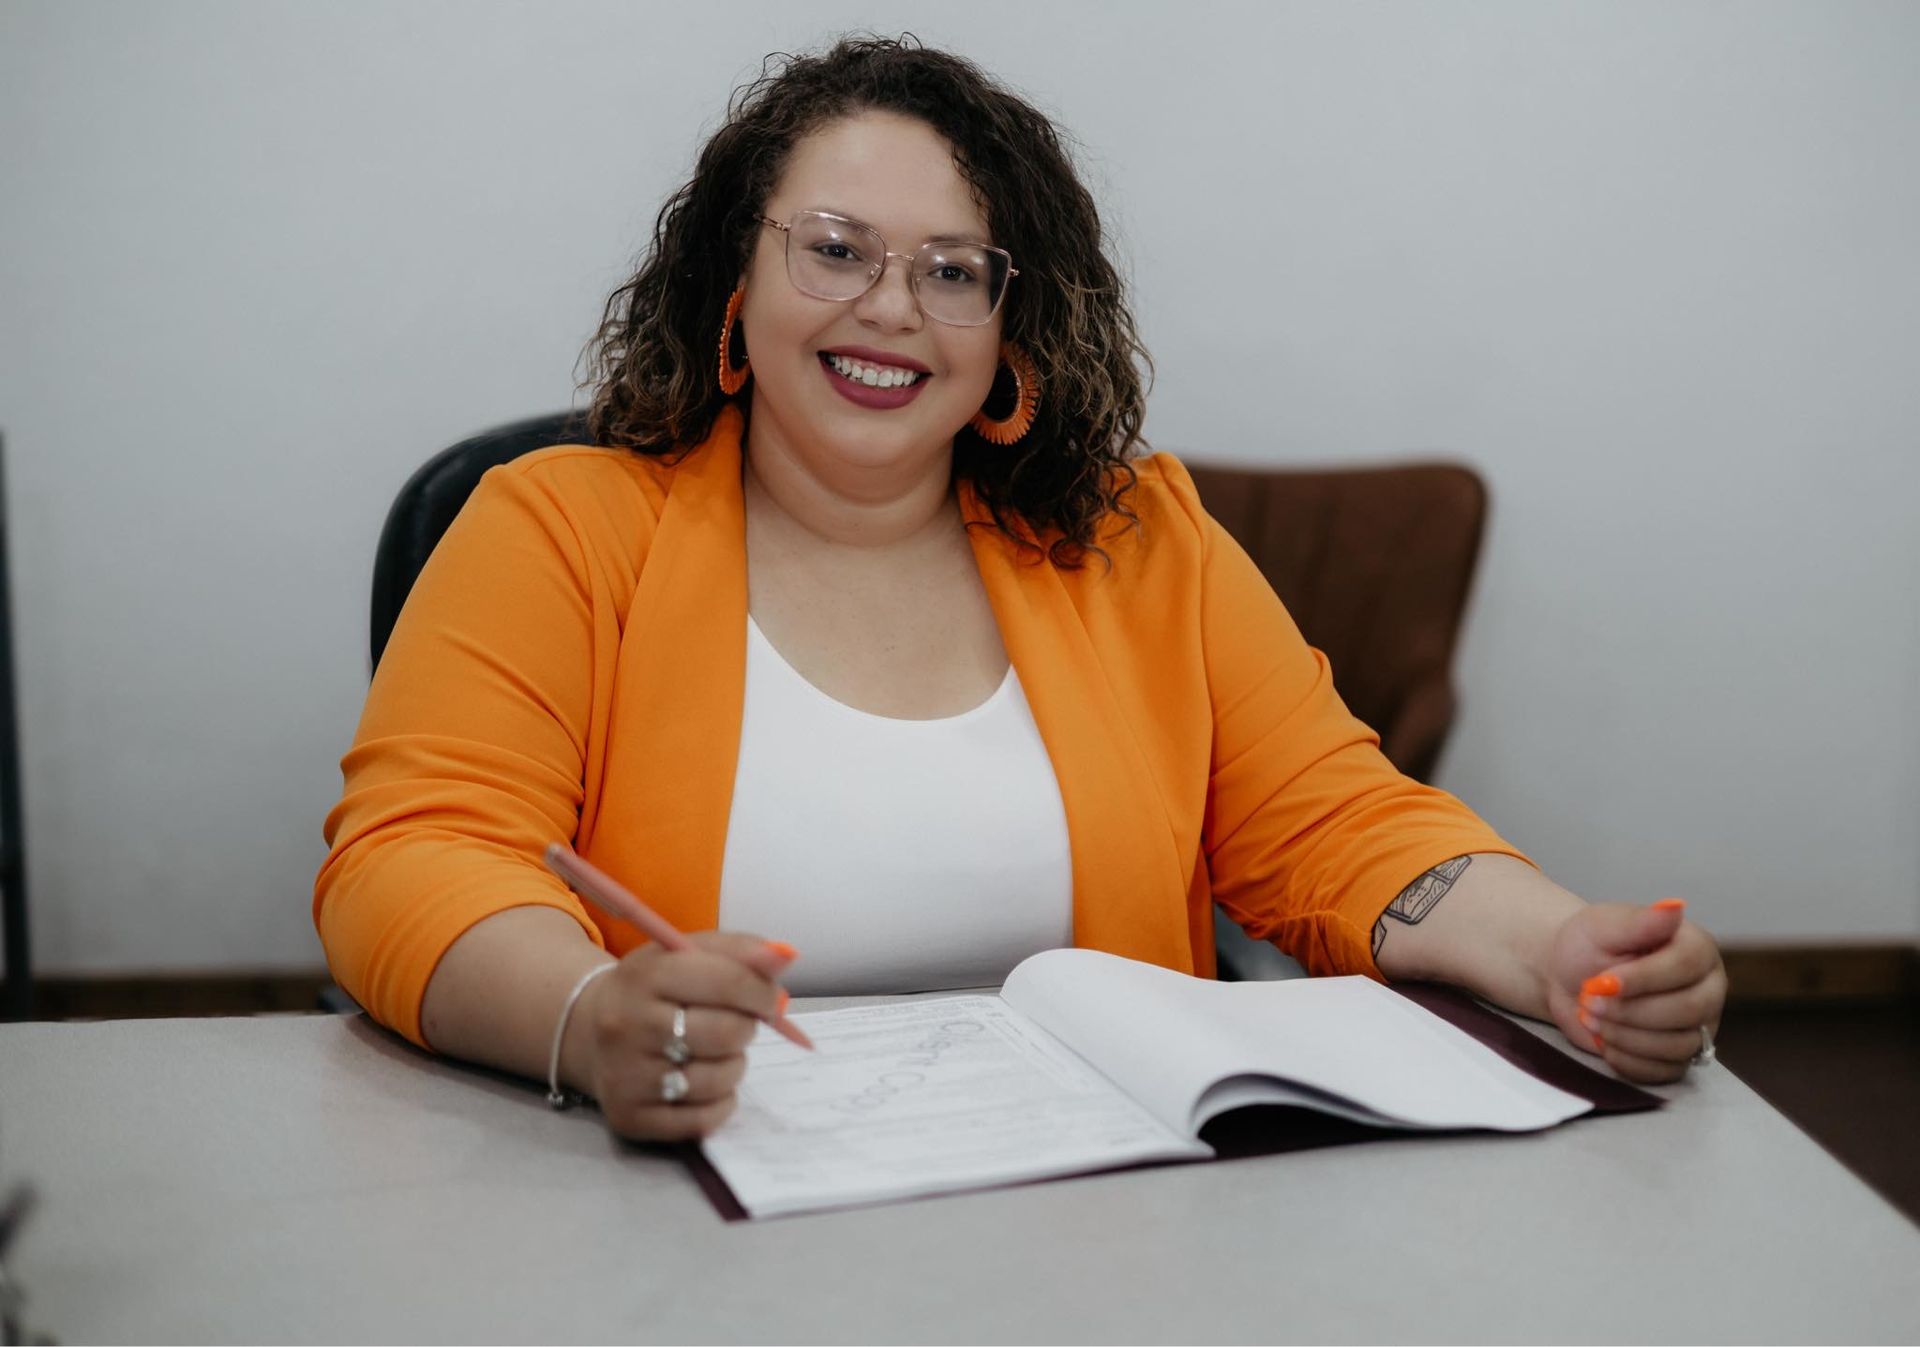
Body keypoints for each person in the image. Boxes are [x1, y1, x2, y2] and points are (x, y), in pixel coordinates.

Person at [314, 36, 1727, 1143]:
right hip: (677, 1189)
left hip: (1093, 1205)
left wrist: (1558, 950)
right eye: (834, 249)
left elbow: (1338, 824)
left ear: (1012, 333)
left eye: (954, 272)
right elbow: (416, 853)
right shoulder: (557, 525)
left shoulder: (1133, 538)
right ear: (731, 285)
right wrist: (589, 1016)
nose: (890, 308)